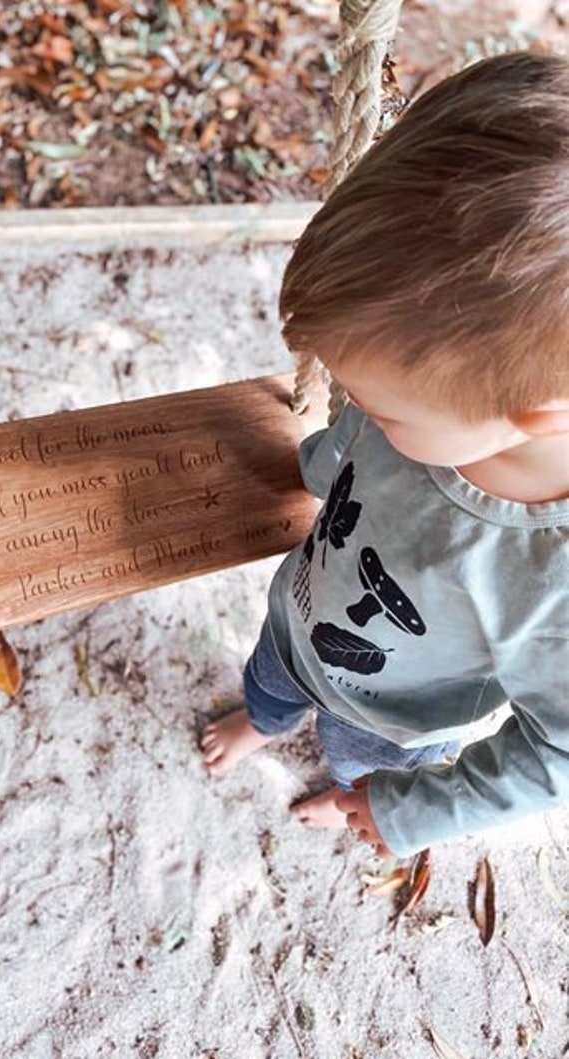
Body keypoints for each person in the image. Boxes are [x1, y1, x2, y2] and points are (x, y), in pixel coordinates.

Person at [200, 51, 569, 859]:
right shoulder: (445, 406)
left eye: (383, 405)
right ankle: (262, 723)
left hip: (401, 722)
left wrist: (409, 811)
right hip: (299, 615)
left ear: (533, 415)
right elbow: (357, 450)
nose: (359, 408)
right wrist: (321, 465)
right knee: (268, 681)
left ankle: (348, 795)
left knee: (357, 760)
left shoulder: (551, 581)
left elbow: (557, 753)